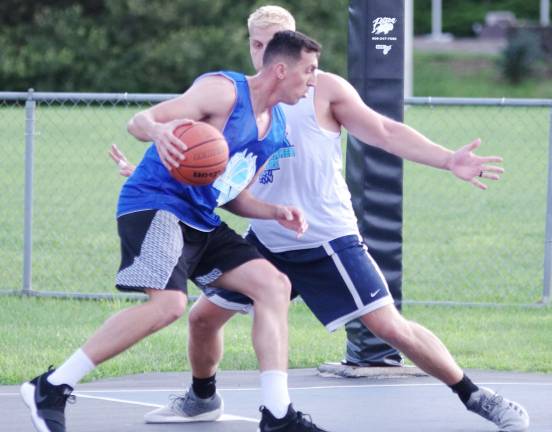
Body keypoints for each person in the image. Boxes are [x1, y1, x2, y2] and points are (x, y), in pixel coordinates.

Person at [110, 6, 530, 431]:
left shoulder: (323, 88)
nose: (264, 51)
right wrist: (166, 169)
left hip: (325, 236)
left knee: (388, 326)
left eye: (274, 41)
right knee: (202, 319)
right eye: (257, 44)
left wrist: (447, 160)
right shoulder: (238, 97)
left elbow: (383, 132)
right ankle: (202, 398)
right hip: (268, 236)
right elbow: (203, 158)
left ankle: (476, 396)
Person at [20, 30, 332, 432]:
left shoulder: (274, 129)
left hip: (201, 218)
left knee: (274, 285)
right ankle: (52, 386)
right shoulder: (223, 92)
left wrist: (275, 211)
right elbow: (140, 120)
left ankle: (277, 415)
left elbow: (230, 195)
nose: (313, 80)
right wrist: (159, 132)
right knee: (169, 305)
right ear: (280, 69)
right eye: (309, 70)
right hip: (156, 203)